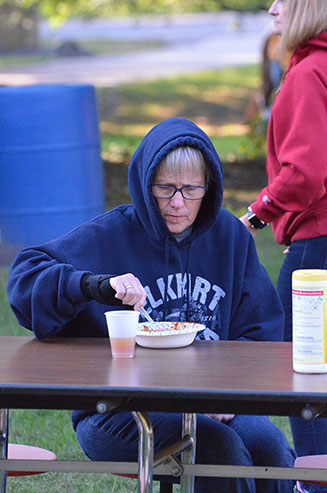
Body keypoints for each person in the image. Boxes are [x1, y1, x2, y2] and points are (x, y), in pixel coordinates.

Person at [7, 117, 295, 492]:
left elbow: (262, 330)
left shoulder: (230, 238)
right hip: (116, 411)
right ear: (145, 184)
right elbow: (25, 280)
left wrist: (228, 390)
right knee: (219, 449)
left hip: (214, 405)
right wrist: (95, 285)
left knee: (270, 446)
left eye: (191, 190)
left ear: (209, 187)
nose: (178, 203)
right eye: (165, 189)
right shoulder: (113, 234)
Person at [239, 1, 327, 491]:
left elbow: (305, 174)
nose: (272, 7)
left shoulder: (307, 73)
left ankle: (314, 483)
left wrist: (254, 215)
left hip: (316, 250)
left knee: (307, 375)